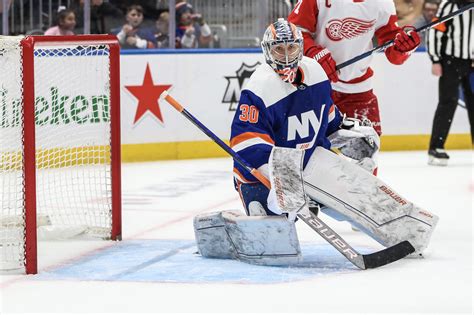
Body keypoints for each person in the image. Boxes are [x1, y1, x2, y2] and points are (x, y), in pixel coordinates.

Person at [224, 18, 437, 260]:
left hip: (311, 160)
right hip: (263, 177)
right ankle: (230, 228)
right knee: (273, 249)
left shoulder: (315, 72)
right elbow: (247, 146)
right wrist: (279, 178)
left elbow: (327, 119)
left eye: (291, 48)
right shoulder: (259, 88)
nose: (285, 56)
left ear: (300, 48)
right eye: (278, 49)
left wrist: (348, 134)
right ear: (267, 51)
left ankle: (411, 232)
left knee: (363, 191)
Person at [288, 0, 421, 141]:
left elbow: (392, 50)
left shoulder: (383, 2)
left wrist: (403, 47)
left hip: (359, 92)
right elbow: (294, 31)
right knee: (308, 153)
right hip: (317, 87)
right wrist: (312, 52)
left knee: (366, 157)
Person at [426, 0, 473, 166]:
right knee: (448, 102)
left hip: (472, 63)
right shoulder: (449, 4)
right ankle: (436, 147)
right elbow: (435, 30)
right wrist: (435, 60)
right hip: (450, 62)